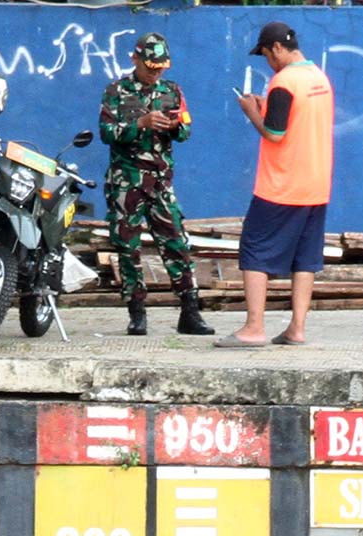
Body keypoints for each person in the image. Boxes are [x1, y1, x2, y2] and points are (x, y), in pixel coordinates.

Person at [215, 21, 333, 348]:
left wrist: (252, 111)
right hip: (316, 184)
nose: (268, 62)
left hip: (281, 184)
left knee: (253, 250)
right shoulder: (318, 79)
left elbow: (275, 133)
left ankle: (253, 328)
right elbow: (297, 121)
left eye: (267, 55)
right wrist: (266, 107)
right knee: (304, 258)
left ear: (278, 49)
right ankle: (297, 328)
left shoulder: (284, 81)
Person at [99, 32, 213, 337]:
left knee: (177, 243)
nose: (156, 72)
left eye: (160, 67)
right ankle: (137, 314)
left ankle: (189, 311)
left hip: (161, 183)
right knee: (128, 248)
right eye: (151, 67)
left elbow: (187, 129)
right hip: (127, 183)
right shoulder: (116, 91)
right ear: (135, 59)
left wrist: (177, 126)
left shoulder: (172, 90)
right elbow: (107, 132)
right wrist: (140, 124)